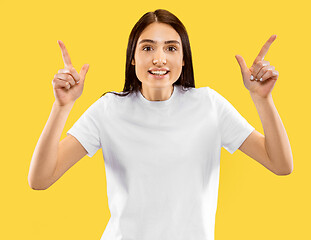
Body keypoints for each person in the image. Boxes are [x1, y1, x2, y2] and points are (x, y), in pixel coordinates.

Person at [28, 9, 293, 240]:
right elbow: (40, 179)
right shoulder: (109, 109)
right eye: (147, 48)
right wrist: (62, 107)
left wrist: (262, 99)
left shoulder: (209, 105)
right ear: (132, 57)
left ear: (184, 58)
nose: (159, 59)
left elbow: (280, 164)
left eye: (171, 48)